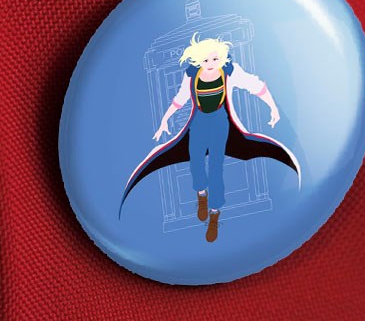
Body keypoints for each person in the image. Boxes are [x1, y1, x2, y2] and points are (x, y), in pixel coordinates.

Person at [121, 33, 299, 242]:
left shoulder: (229, 71)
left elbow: (255, 85)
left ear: (222, 57)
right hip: (198, 124)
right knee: (195, 163)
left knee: (216, 168)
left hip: (220, 124)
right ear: (198, 61)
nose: (211, 63)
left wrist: (273, 108)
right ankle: (201, 194)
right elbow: (180, 98)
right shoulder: (192, 75)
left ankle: (214, 213)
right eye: (206, 60)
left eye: (215, 59)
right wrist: (165, 120)